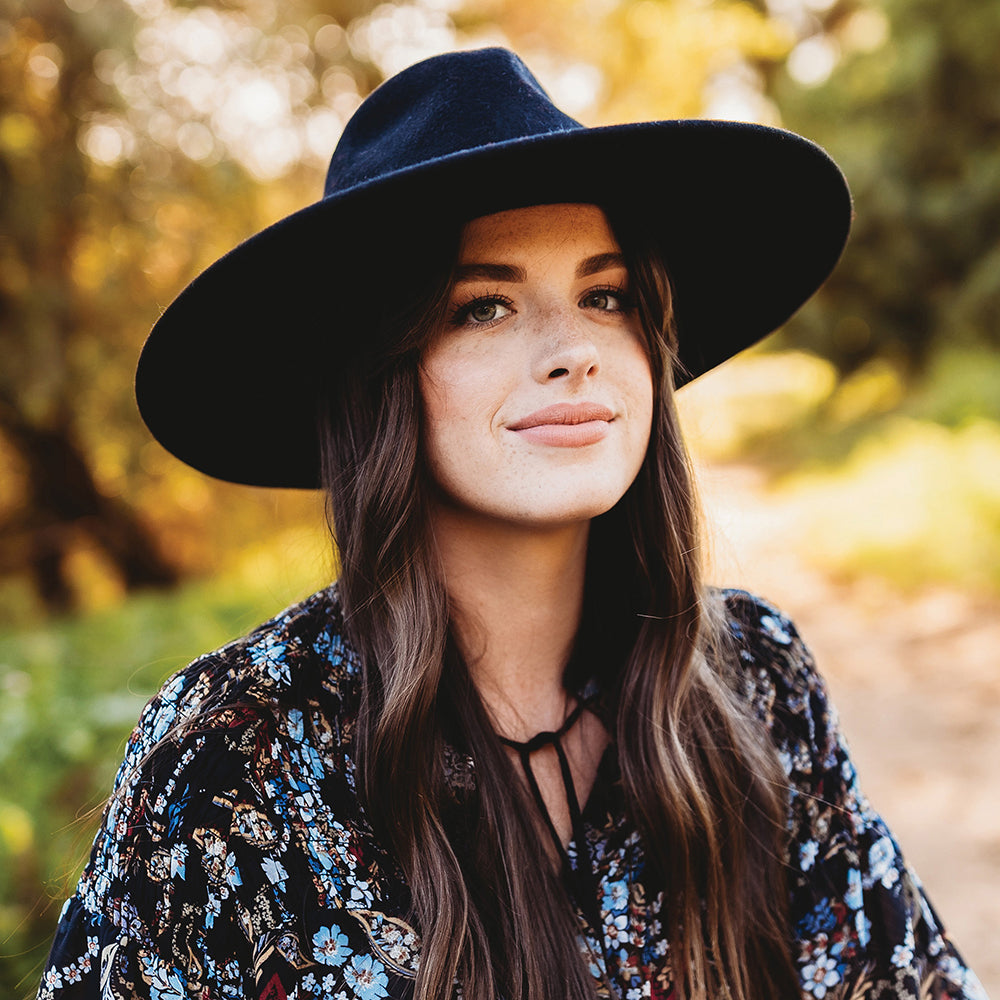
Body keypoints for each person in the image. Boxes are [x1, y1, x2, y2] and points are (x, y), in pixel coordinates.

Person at [38, 47, 985, 1000]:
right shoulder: (233, 761)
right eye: (483, 307)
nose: (572, 350)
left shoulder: (756, 678)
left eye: (604, 296)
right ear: (381, 372)